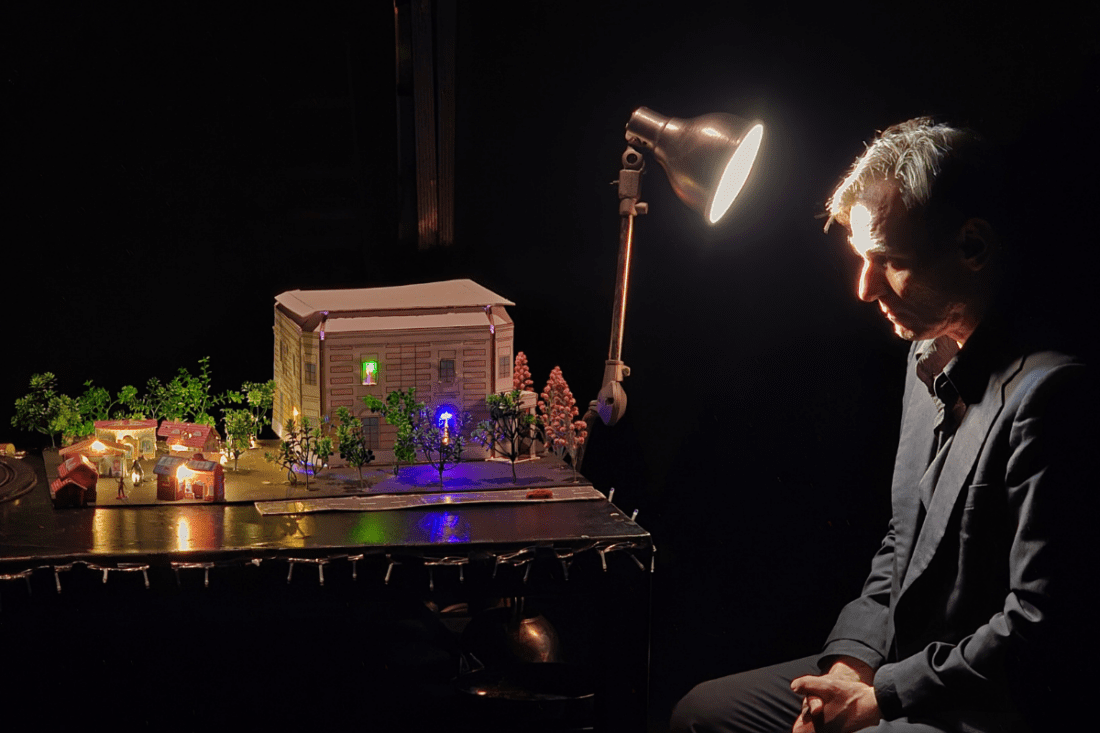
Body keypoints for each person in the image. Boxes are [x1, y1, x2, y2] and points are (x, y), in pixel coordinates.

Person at [670, 118, 1093, 732]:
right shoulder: (927, 350)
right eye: (860, 258)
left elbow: (1038, 624)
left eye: (889, 260)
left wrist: (884, 696)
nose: (865, 289)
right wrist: (851, 665)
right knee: (702, 714)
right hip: (901, 665)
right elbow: (904, 538)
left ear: (973, 247)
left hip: (986, 704)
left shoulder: (1052, 393)